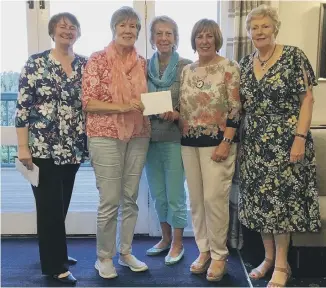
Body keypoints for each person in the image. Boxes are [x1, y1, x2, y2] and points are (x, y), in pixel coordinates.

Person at [238, 4, 321, 287]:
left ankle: (282, 264)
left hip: (286, 140)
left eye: (265, 26)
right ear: (248, 32)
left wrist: (299, 138)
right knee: (263, 204)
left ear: (275, 28)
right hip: (255, 145)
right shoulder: (245, 63)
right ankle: (268, 258)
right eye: (254, 27)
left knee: (281, 204)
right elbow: (240, 104)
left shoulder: (294, 56)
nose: (259, 32)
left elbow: (307, 100)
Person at [15, 12, 87, 285]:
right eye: (62, 26)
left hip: (73, 148)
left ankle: (54, 252)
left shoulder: (84, 65)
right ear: (52, 31)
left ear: (78, 33)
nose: (67, 31)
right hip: (42, 149)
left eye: (72, 27)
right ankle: (56, 266)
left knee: (61, 205)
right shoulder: (36, 63)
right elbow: (22, 109)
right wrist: (23, 147)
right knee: (49, 208)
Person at [82, 6, 150, 279]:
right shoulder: (97, 60)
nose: (128, 30)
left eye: (133, 26)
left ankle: (125, 252)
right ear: (114, 29)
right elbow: (88, 102)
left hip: (138, 135)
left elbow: (147, 101)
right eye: (123, 25)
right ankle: (104, 257)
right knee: (110, 200)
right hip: (104, 135)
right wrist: (123, 107)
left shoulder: (142, 62)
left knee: (130, 198)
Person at [179, 19, 241, 281]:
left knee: (214, 200)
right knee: (196, 201)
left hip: (218, 143)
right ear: (193, 40)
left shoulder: (229, 67)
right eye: (199, 36)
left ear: (216, 38)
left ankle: (219, 255)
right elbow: (185, 108)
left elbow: (236, 108)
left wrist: (226, 141)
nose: (204, 41)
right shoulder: (187, 70)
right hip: (188, 144)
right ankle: (203, 250)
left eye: (209, 36)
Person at [144, 16, 192, 265]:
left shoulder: (187, 67)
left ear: (175, 38)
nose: (164, 38)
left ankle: (178, 243)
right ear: (152, 39)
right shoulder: (143, 67)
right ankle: (164, 238)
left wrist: (177, 114)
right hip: (148, 139)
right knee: (158, 193)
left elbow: (195, 105)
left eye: (169, 33)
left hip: (174, 138)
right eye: (159, 33)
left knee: (175, 195)